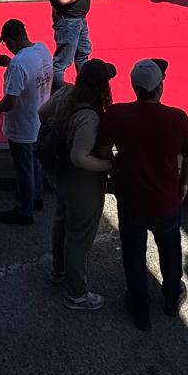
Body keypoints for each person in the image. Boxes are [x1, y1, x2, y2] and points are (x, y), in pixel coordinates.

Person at [98, 59, 188, 329]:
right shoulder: (176, 118)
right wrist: (184, 183)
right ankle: (171, 295)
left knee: (133, 252)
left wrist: (115, 169)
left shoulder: (117, 114)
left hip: (131, 199)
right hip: (166, 199)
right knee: (169, 248)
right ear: (160, 87)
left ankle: (139, 306)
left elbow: (104, 149)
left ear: (134, 87)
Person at [39, 58, 116, 310]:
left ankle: (58, 270)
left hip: (58, 172)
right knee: (79, 236)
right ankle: (77, 293)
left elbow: (42, 113)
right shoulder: (89, 116)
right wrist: (109, 165)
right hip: (80, 180)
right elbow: (80, 157)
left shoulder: (66, 93)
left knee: (61, 220)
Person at [0, 18, 51, 225]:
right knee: (36, 162)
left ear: (12, 40)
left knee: (23, 168)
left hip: (22, 124)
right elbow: (33, 72)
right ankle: (37, 197)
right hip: (41, 117)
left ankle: (24, 210)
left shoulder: (19, 64)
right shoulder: (41, 50)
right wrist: (10, 62)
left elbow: (10, 101)